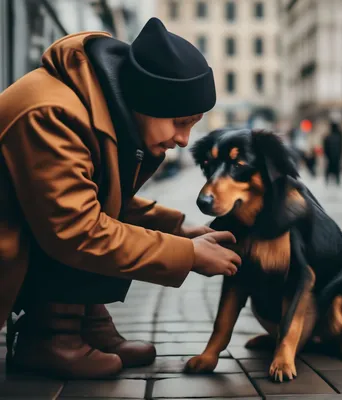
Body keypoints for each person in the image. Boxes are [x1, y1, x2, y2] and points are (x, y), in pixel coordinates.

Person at [0, 18, 241, 379]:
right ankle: (50, 335)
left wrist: (180, 231)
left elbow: (100, 196)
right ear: (149, 101)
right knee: (88, 233)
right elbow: (76, 229)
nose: (184, 139)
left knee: (101, 224)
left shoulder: (98, 108)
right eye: (180, 121)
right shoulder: (54, 114)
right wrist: (187, 255)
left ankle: (83, 321)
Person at [323, 121, 342, 186]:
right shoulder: (339, 136)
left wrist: (327, 155)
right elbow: (341, 147)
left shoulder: (328, 136)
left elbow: (325, 147)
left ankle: (329, 181)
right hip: (336, 157)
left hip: (331, 157)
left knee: (330, 170)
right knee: (336, 171)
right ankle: (336, 181)